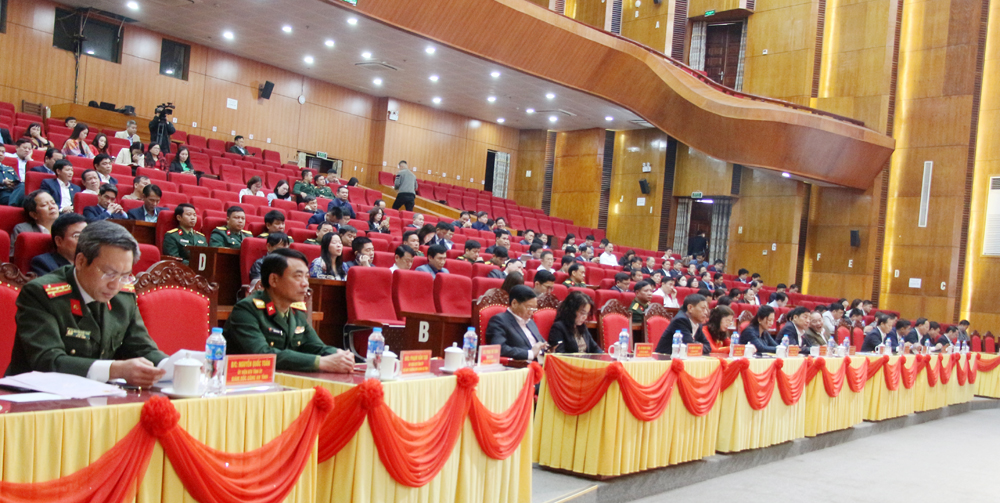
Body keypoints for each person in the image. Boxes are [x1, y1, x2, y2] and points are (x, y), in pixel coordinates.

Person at [7, 221, 167, 385]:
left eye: (125, 276)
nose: (115, 285)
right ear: (81, 261)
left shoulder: (123, 297)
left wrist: (169, 366)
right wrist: (114, 370)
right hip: (35, 394)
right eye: (109, 273)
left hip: (99, 393)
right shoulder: (41, 294)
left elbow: (142, 348)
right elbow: (47, 360)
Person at [223, 248, 354, 373]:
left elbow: (316, 347)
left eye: (306, 277)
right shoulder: (246, 310)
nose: (305, 283)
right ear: (274, 280)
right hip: (246, 382)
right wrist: (320, 362)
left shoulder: (296, 311)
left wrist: (340, 355)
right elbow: (262, 354)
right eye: (298, 276)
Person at [486, 285, 547, 361]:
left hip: (541, 362)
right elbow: (499, 348)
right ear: (514, 303)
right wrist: (530, 353)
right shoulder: (499, 321)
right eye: (529, 307)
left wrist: (547, 347)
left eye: (534, 308)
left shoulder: (530, 322)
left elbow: (541, 343)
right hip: (520, 364)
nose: (532, 312)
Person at [9, 190, 59, 258]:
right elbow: (14, 256)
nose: (52, 207)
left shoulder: (65, 227)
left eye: (53, 203)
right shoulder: (23, 230)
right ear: (34, 214)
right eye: (44, 205)